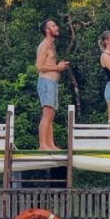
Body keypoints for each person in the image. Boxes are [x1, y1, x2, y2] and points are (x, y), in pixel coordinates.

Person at [35, 19, 69, 150]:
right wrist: (57, 67)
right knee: (47, 112)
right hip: (46, 82)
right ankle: (43, 145)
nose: (57, 27)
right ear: (47, 30)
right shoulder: (44, 45)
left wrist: (59, 67)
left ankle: (51, 144)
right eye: (53, 26)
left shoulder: (52, 45)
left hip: (52, 83)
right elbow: (39, 66)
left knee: (51, 114)